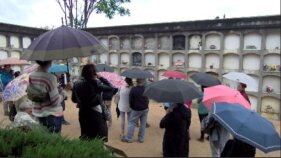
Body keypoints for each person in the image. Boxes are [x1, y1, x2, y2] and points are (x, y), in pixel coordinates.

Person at [71, 64, 114, 141]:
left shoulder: (76, 83)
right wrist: (100, 77)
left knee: (86, 137)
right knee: (98, 138)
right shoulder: (95, 83)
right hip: (95, 113)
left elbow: (74, 99)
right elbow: (111, 87)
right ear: (94, 73)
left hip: (83, 112)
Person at [27, 60, 65, 134]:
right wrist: (63, 94)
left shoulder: (31, 76)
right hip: (52, 114)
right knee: (54, 142)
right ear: (50, 62)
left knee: (43, 141)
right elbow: (55, 102)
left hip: (37, 113)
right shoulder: (50, 77)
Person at [122, 79, 149, 143]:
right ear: (143, 81)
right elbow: (147, 99)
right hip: (145, 108)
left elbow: (130, 100)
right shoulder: (146, 89)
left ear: (137, 82)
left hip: (136, 109)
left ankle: (129, 138)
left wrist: (132, 107)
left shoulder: (133, 89)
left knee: (132, 123)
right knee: (143, 124)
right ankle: (141, 139)